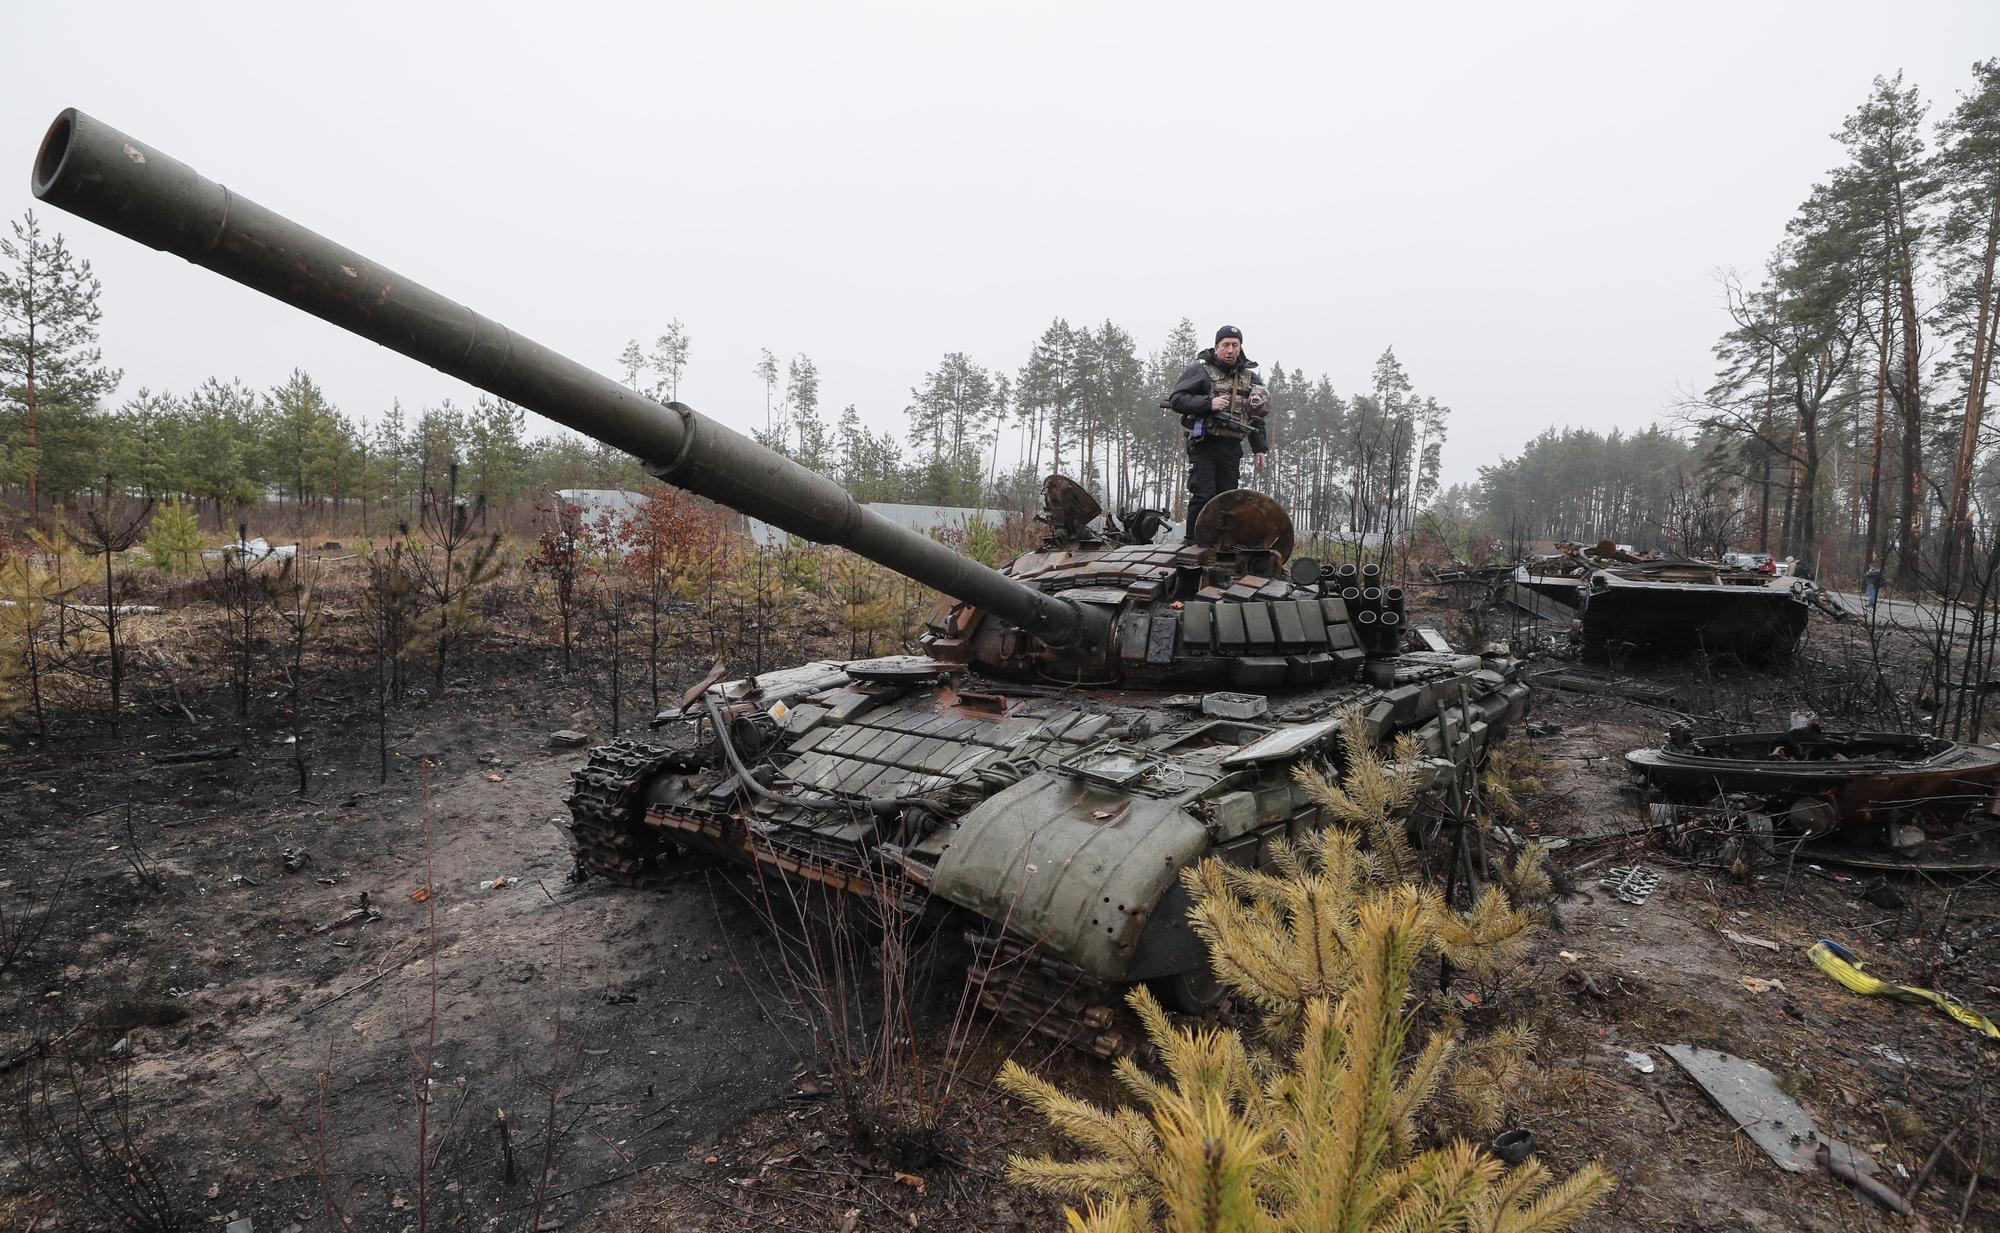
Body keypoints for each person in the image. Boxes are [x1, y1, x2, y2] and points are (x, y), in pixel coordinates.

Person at [1165, 325, 1271, 533]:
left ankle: (1222, 545)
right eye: (1226, 345)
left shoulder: (1250, 379)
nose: (1230, 350)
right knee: (1204, 494)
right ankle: (1193, 543)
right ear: (1216, 347)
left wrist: (1260, 448)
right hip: (1204, 443)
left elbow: (1257, 414)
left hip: (1231, 447)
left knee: (1228, 498)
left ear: (1240, 348)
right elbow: (1177, 400)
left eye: (1235, 344)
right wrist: (1208, 404)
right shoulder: (1201, 371)